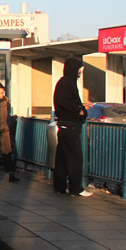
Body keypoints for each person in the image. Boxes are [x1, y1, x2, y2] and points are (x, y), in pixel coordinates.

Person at [53, 56, 92, 197]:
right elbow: (65, 102)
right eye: (79, 70)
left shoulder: (63, 83)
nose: (80, 73)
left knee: (62, 159)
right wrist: (79, 110)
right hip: (70, 126)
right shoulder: (68, 83)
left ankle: (60, 186)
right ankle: (76, 188)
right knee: (75, 158)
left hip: (63, 125)